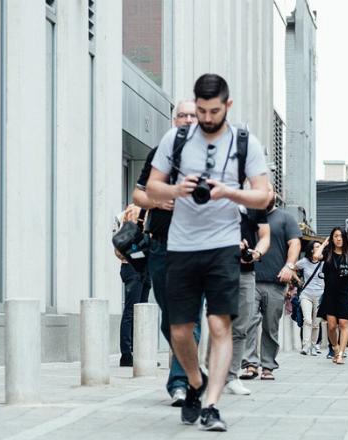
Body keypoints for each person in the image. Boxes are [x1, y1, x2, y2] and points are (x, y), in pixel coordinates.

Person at [146, 73, 271, 431]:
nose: (206, 117)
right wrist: (176, 190)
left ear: (227, 106)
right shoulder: (177, 138)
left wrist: (228, 192)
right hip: (182, 246)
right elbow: (151, 188)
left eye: (213, 110)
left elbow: (263, 195)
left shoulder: (245, 142)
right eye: (200, 110)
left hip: (222, 245)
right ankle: (195, 383)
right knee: (180, 330)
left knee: (219, 325)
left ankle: (212, 404)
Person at [132, 100, 199, 404]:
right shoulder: (159, 155)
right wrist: (157, 202)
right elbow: (137, 194)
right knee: (170, 318)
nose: (186, 120)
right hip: (160, 245)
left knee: (189, 317)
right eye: (181, 115)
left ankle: (180, 382)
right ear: (174, 121)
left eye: (192, 116)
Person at [241, 190, 302, 380]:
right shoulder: (248, 216)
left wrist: (289, 266)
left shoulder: (285, 218)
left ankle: (268, 365)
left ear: (274, 195)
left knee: (270, 325)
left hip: (276, 281)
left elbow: (295, 244)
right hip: (250, 277)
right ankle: (250, 364)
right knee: (248, 322)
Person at [224, 205, 269, 395]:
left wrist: (255, 253)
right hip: (218, 269)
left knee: (242, 326)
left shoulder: (253, 203)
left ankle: (232, 377)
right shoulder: (214, 195)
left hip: (246, 272)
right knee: (219, 323)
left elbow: (265, 236)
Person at [114, 204, 152, 368]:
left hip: (142, 267)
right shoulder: (132, 212)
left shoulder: (150, 211)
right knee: (132, 311)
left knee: (141, 312)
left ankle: (139, 353)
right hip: (133, 267)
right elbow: (124, 244)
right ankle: (127, 355)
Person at [316, 227, 348, 364]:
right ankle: (335, 348)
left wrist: (347, 273)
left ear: (345, 238)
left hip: (344, 292)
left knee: (343, 323)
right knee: (332, 326)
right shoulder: (328, 253)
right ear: (332, 238)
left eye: (341, 236)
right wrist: (324, 243)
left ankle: (340, 354)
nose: (339, 238)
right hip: (330, 293)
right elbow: (316, 256)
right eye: (335, 236)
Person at [296, 241, 324, 356]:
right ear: (312, 250)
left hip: (320, 296)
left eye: (320, 246)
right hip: (306, 295)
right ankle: (305, 346)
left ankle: (313, 345)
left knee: (316, 323)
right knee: (307, 320)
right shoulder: (304, 262)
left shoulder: (324, 263)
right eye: (317, 247)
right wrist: (298, 280)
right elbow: (292, 267)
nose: (320, 248)